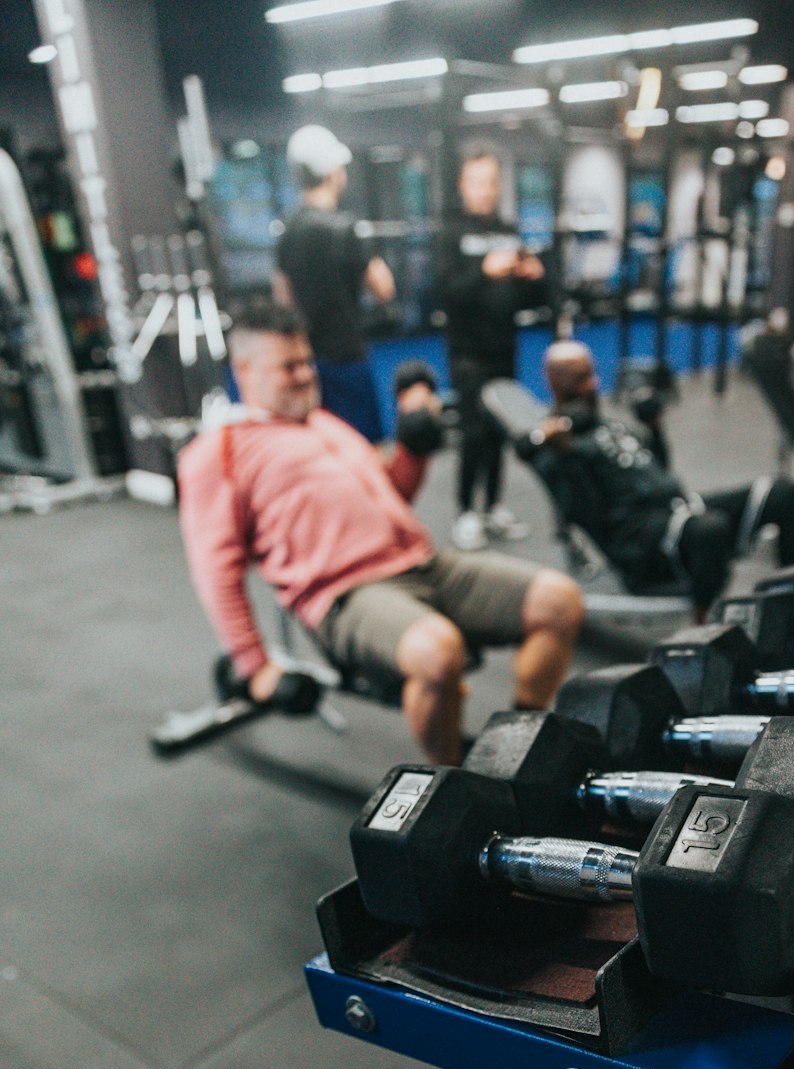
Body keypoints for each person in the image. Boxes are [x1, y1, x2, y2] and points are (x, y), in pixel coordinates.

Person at [176, 303, 584, 766]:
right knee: (438, 652)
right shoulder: (219, 452)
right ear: (245, 370)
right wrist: (256, 669)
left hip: (424, 563)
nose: (306, 375)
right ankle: (451, 783)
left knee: (559, 600)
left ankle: (516, 749)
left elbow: (393, 494)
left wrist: (414, 448)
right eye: (288, 366)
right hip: (343, 595)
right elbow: (215, 571)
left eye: (307, 362)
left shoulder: (326, 423)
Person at [517, 341, 794, 612]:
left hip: (679, 511)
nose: (592, 383)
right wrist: (567, 456)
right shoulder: (553, 450)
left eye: (591, 374)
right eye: (578, 378)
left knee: (787, 495)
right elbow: (585, 513)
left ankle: (790, 601)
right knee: (710, 529)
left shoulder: (607, 425)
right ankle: (705, 628)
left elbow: (656, 469)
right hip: (640, 543)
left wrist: (653, 427)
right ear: (553, 382)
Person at [440, 149, 549, 550]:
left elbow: (526, 299)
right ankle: (466, 511)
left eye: (492, 183)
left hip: (504, 347)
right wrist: (483, 270)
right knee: (473, 433)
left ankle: (494, 506)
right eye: (477, 182)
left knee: (501, 430)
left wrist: (534, 277)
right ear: (463, 186)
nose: (485, 191)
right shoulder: (451, 233)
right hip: (468, 352)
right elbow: (446, 292)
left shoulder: (508, 230)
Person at [274, 124, 396, 443]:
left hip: (307, 361)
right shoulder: (344, 229)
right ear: (332, 172)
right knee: (364, 450)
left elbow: (282, 299)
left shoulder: (288, 230)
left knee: (322, 447)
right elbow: (384, 289)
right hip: (347, 356)